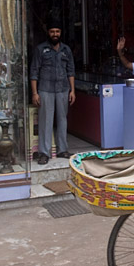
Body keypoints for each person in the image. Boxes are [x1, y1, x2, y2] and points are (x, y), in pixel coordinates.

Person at [30, 19, 76, 165]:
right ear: (48, 32)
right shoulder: (40, 49)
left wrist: (72, 90)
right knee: (45, 121)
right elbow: (34, 72)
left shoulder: (66, 50)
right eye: (52, 31)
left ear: (60, 33)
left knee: (62, 120)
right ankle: (44, 153)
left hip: (63, 89)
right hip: (45, 89)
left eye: (57, 31)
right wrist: (35, 93)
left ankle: (63, 150)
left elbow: (71, 71)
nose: (55, 34)